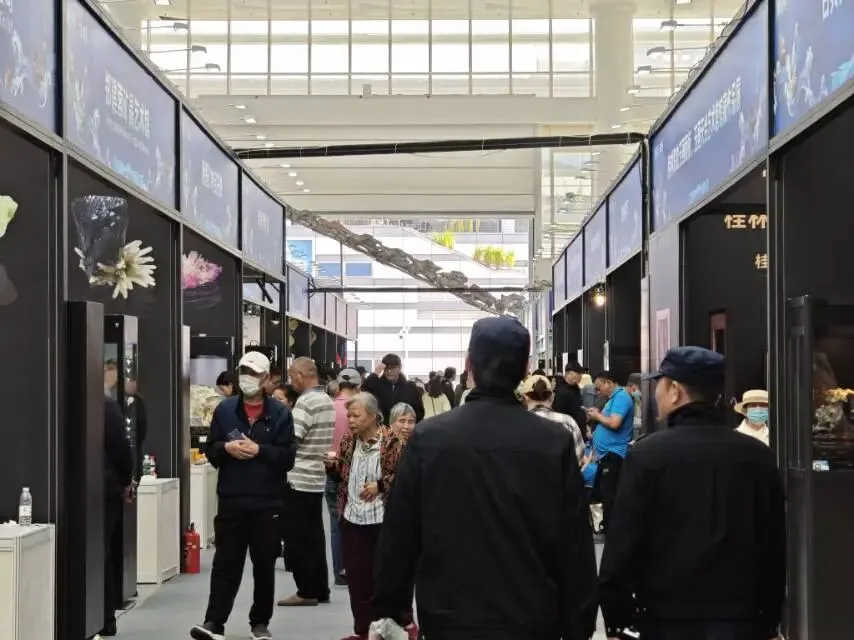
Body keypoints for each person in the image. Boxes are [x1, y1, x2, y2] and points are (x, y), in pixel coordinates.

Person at [374, 316, 598, 640]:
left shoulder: (428, 439)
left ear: (469, 364)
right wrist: (579, 623)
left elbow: (400, 533)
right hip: (532, 617)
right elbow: (574, 540)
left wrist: (390, 607)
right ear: (525, 369)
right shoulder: (553, 441)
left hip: (449, 616)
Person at [599, 347, 786, 640]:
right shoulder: (757, 455)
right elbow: (773, 543)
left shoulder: (647, 455)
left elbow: (623, 540)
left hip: (665, 618)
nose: (656, 394)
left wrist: (617, 620)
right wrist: (771, 619)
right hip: (742, 619)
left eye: (660, 385)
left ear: (675, 391)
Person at [191, 351, 296, 640]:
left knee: (264, 566)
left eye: (254, 373)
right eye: (244, 372)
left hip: (267, 502)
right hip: (232, 500)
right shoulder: (224, 410)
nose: (247, 378)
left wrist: (259, 450)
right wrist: (226, 449)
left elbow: (288, 458)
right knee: (225, 564)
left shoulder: (280, 414)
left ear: (266, 378)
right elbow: (211, 449)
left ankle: (260, 623)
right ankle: (214, 622)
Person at [325, 392, 414, 640]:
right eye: (349, 416)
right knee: (357, 578)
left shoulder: (393, 442)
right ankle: (363, 630)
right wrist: (332, 468)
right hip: (353, 518)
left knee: (388, 578)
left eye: (356, 416)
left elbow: (406, 477)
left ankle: (398, 627)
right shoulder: (348, 441)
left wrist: (381, 485)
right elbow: (342, 475)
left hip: (384, 521)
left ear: (373, 416)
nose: (351, 420)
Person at [278, 357, 335, 607]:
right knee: (314, 538)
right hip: (316, 477)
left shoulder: (305, 402)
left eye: (292, 376)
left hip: (298, 478)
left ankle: (306, 590)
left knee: (297, 539)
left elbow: (292, 438)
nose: (291, 382)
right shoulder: (326, 399)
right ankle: (320, 588)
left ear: (302, 375)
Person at [585, 370, 634, 534]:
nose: (598, 391)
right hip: (606, 455)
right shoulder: (612, 399)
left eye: (599, 387)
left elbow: (614, 423)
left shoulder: (621, 397)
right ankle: (605, 526)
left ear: (609, 383)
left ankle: (611, 530)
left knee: (609, 495)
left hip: (613, 455)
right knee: (602, 493)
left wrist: (597, 416)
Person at [101, 397, 134, 637]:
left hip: (94, 490)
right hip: (106, 488)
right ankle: (105, 618)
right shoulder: (107, 407)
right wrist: (125, 481)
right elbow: (121, 448)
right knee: (102, 553)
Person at [328, 368, 362, 587]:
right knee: (357, 521)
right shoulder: (360, 412)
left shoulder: (328, 408)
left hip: (330, 469)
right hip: (355, 470)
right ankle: (355, 568)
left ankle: (339, 570)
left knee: (336, 523)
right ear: (359, 387)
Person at [521, 374, 585, 464]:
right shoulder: (568, 422)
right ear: (552, 397)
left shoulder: (517, 424)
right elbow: (578, 457)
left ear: (525, 398)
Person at [362, 354, 424, 424]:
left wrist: (410, 424)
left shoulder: (410, 387)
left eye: (393, 368)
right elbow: (363, 394)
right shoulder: (376, 385)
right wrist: (375, 374)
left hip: (403, 427)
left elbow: (419, 412)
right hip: (381, 427)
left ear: (400, 367)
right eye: (386, 368)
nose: (389, 371)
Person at [553, 362, 587, 429]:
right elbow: (560, 415)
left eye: (581, 373)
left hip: (578, 428)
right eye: (578, 373)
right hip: (570, 430)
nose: (581, 376)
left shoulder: (575, 388)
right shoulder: (562, 391)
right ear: (569, 373)